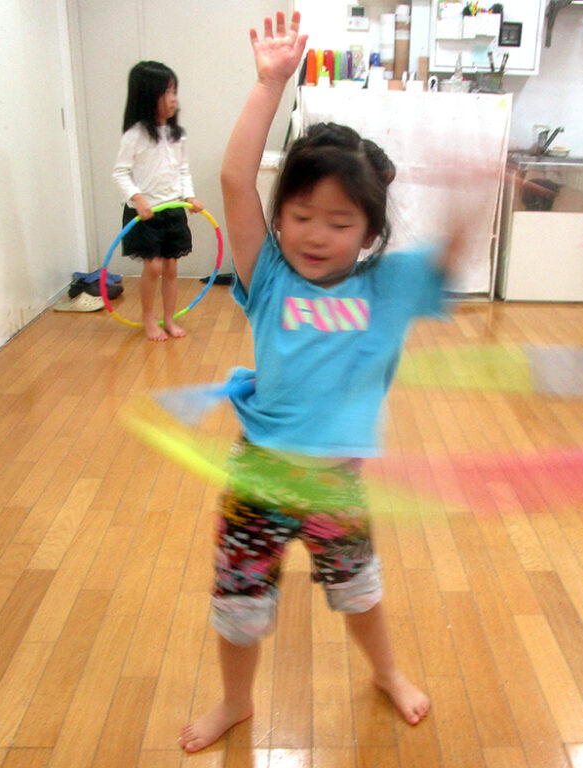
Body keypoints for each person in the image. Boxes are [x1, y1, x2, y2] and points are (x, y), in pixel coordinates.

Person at [178, 11, 483, 753]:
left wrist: (474, 184)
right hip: (259, 475)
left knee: (359, 592)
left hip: (335, 482)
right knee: (238, 604)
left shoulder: (388, 288)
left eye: (340, 222)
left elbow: (452, 253)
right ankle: (235, 701)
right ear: (279, 218)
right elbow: (233, 178)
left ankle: (387, 673)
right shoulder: (269, 277)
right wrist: (270, 85)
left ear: (371, 234)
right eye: (301, 215)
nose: (316, 234)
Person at [113, 61, 205, 341]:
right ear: (147, 96)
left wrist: (189, 196)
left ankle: (169, 318)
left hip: (173, 210)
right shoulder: (135, 136)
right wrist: (138, 198)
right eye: (167, 92)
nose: (173, 99)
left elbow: (183, 170)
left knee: (171, 267)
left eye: (174, 91)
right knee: (153, 267)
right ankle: (149, 318)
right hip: (145, 214)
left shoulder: (178, 135)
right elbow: (120, 172)